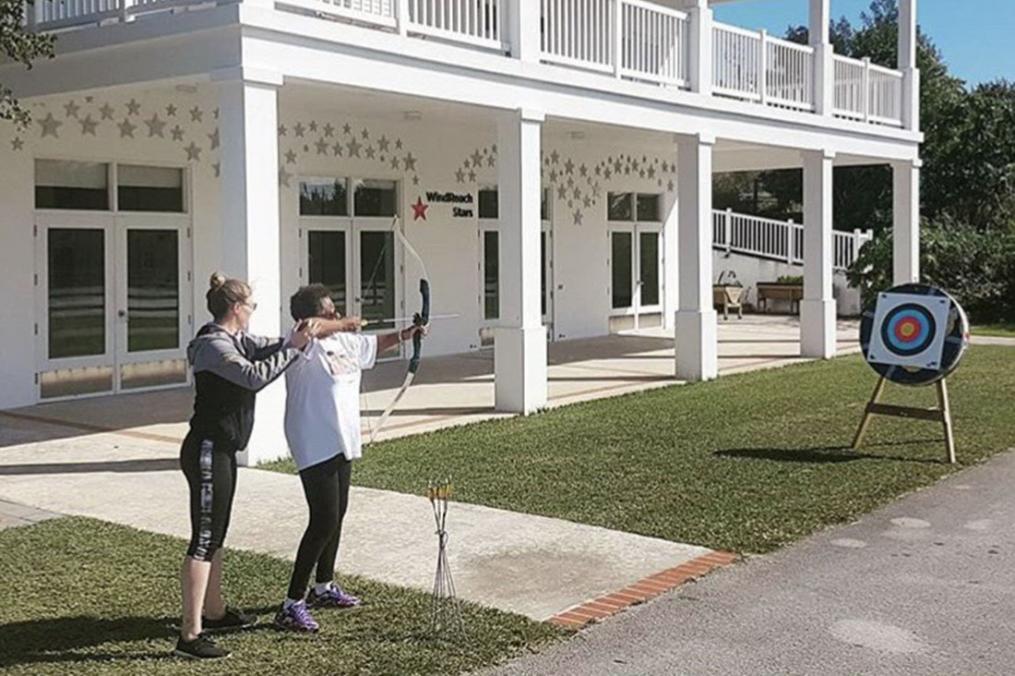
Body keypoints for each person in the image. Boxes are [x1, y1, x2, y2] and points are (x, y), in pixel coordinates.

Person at [174, 273, 356, 659]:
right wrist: (295, 348)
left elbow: (279, 343)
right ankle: (190, 636)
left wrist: (331, 327)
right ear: (236, 308)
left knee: (216, 534)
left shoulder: (240, 340)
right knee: (204, 540)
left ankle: (215, 611)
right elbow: (254, 376)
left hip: (223, 450)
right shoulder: (213, 345)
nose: (254, 312)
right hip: (207, 450)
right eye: (252, 306)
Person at [273, 284, 426, 633]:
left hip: (342, 439)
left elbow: (372, 345)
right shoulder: (301, 342)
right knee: (323, 519)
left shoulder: (342, 340)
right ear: (309, 316)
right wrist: (341, 324)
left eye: (335, 310)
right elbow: (310, 328)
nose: (336, 315)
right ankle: (290, 604)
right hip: (313, 439)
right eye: (328, 312)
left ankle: (323, 587)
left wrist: (408, 334)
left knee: (337, 514)